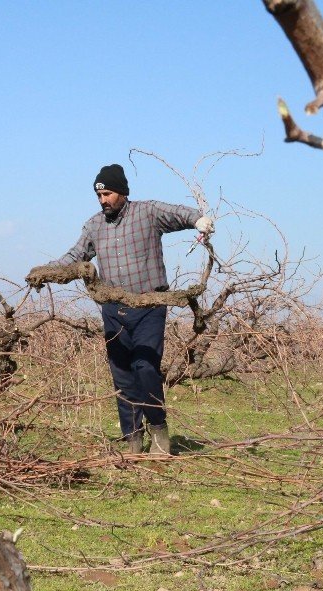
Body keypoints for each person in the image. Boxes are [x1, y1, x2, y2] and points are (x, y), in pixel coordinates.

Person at [26, 164, 213, 455]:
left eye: (108, 194)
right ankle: (133, 440)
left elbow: (179, 212)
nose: (103, 200)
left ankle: (159, 431)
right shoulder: (94, 225)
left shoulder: (147, 213)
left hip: (150, 304)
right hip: (113, 308)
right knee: (123, 375)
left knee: (145, 367)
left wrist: (199, 220)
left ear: (123, 192)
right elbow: (76, 255)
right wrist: (47, 271)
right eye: (99, 195)